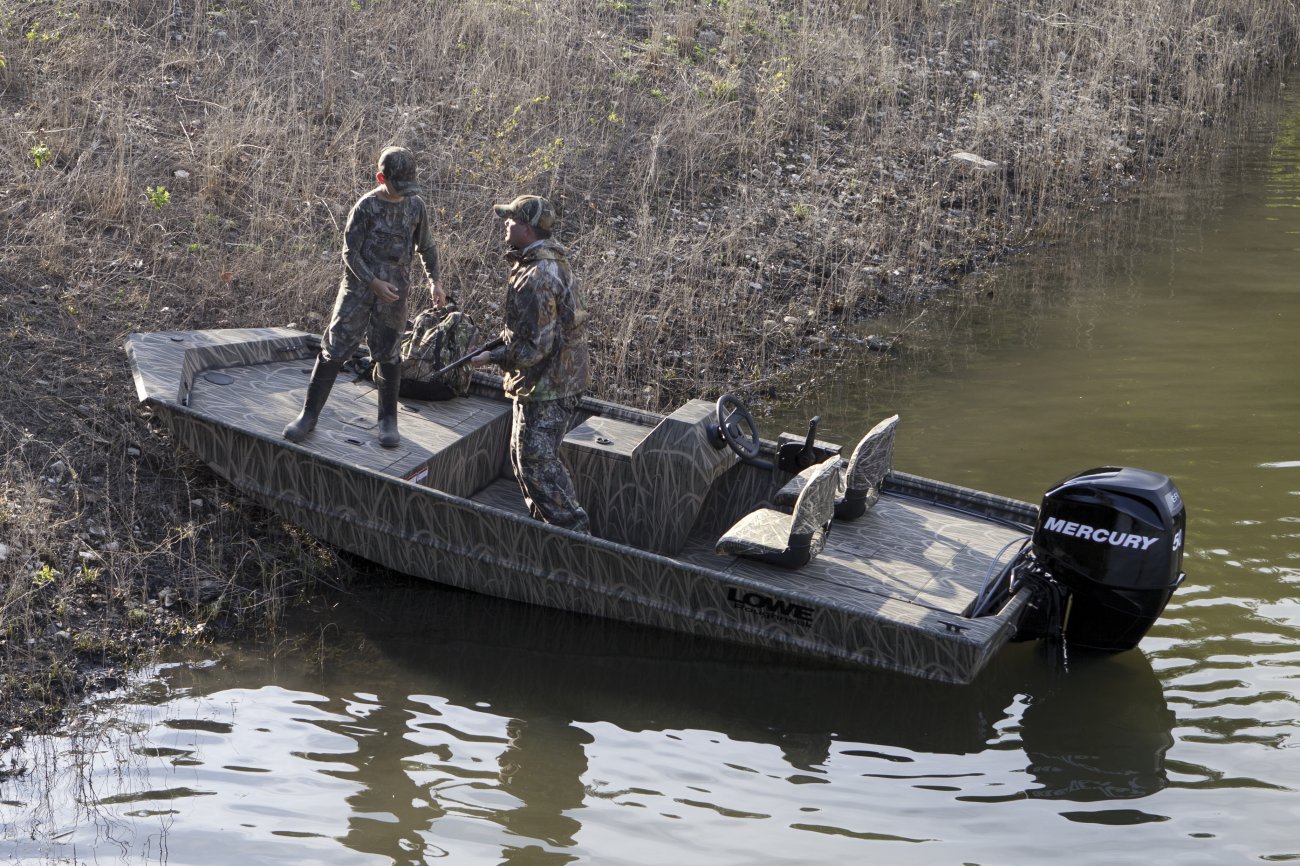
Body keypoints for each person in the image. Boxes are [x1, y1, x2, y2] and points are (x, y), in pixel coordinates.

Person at [284, 145, 444, 447]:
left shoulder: (415, 206)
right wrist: (372, 282)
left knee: (389, 352)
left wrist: (435, 281)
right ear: (381, 177)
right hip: (359, 289)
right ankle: (309, 415)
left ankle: (387, 420)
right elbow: (349, 252)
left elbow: (427, 246)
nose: (403, 192)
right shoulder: (366, 206)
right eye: (398, 186)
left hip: (394, 292)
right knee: (335, 348)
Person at [469, 194, 591, 534]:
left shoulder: (536, 275)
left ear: (527, 227)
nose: (505, 224)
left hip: (548, 384)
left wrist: (491, 357)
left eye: (511, 219)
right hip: (552, 379)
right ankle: (548, 531)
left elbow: (535, 347)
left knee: (535, 462)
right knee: (527, 457)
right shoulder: (548, 261)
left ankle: (574, 537)